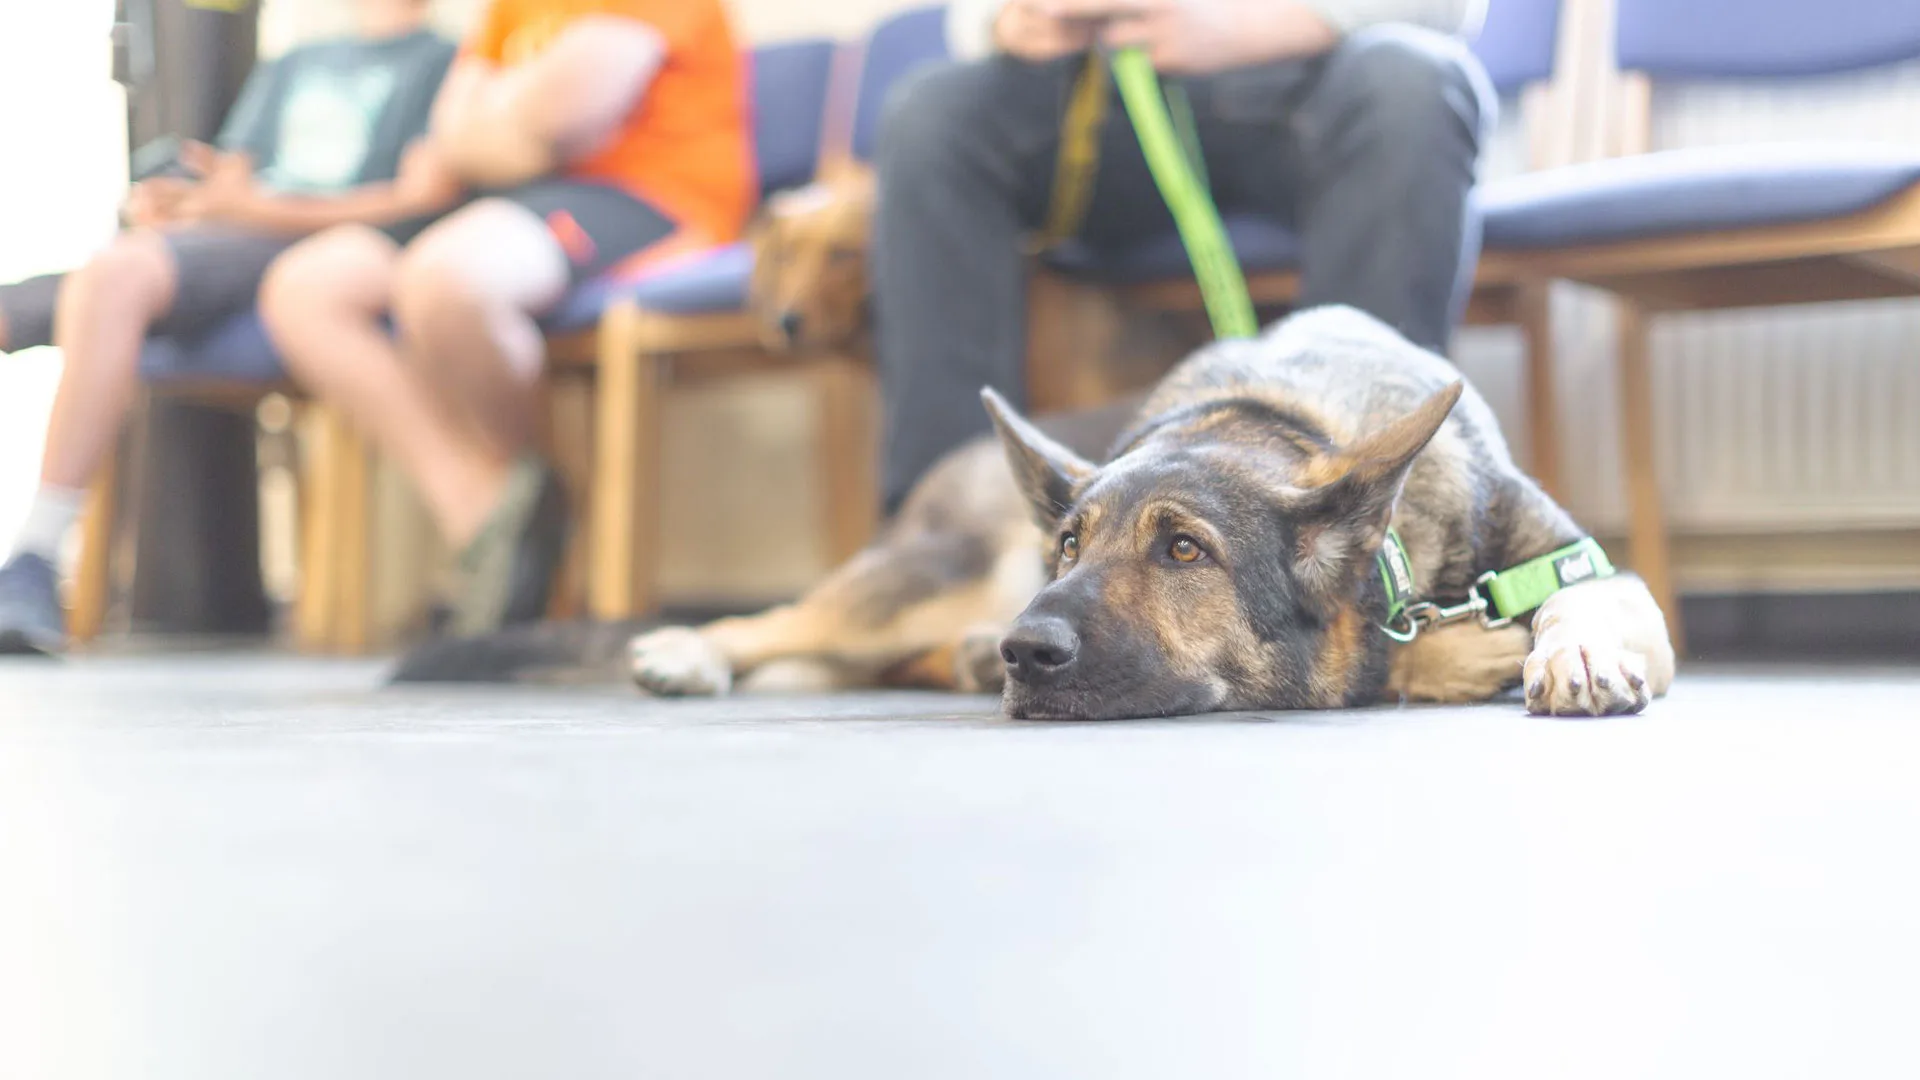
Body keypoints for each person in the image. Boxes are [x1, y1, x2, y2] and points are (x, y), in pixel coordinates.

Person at [873, 0, 1495, 513]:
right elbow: (970, 20)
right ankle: (937, 540)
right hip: (1103, 97)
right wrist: (1010, 19)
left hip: (1313, 69)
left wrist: (1253, 22)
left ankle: (1371, 519)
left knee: (1416, 81)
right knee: (930, 115)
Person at [257, 0, 753, 638]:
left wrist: (505, 117)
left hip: (648, 198)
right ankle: (488, 513)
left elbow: (564, 115)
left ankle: (531, 507)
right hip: (510, 202)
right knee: (307, 288)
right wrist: (524, 124)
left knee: (445, 281)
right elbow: (455, 137)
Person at [0, 0, 456, 655]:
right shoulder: (296, 63)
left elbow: (421, 198)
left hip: (328, 247)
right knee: (108, 278)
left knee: (65, 298)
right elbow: (233, 176)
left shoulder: (440, 62)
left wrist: (261, 207)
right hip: (233, 242)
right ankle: (34, 561)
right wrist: (187, 199)